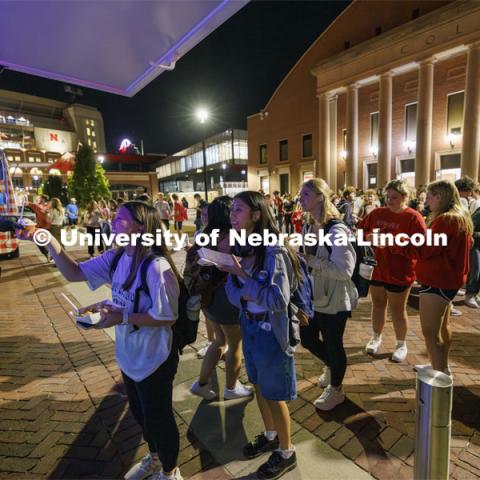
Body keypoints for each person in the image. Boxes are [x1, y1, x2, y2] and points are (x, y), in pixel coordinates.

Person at [16, 201, 184, 480]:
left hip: (155, 357)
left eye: (120, 219)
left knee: (160, 420)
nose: (112, 222)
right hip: (128, 354)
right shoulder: (118, 257)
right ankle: (154, 459)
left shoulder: (157, 266)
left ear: (141, 226)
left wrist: (123, 317)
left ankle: (170, 472)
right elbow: (74, 272)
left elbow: (166, 317)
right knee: (141, 415)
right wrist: (44, 238)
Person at [220, 191, 300, 480]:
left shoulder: (274, 252)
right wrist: (239, 283)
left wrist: (241, 277)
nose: (232, 214)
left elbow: (277, 300)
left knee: (274, 393)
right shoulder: (240, 248)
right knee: (257, 385)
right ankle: (270, 434)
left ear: (256, 215)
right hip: (249, 325)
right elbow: (231, 293)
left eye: (239, 210)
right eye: (232, 209)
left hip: (271, 331)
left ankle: (287, 451)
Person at [391, 181, 472, 374]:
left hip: (438, 280)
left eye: (429, 196)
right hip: (448, 279)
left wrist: (398, 242)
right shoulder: (459, 217)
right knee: (443, 327)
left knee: (430, 332)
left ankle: (439, 375)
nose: (426, 201)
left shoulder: (446, 220)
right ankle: (442, 366)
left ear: (439, 197)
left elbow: (424, 250)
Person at [298, 179, 358, 410]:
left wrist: (310, 261)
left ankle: (336, 389)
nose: (300, 198)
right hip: (313, 295)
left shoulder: (337, 229)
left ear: (320, 197)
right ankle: (332, 367)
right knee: (308, 338)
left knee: (334, 344)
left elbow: (345, 270)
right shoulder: (308, 223)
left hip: (334, 298)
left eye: (305, 194)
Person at [186, 197, 253, 400]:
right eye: (232, 209)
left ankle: (202, 383)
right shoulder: (231, 236)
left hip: (207, 298)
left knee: (219, 341)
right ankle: (231, 388)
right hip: (226, 298)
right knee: (235, 344)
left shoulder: (204, 234)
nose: (235, 214)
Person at [358, 179, 427, 362]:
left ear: (404, 197)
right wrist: (367, 237)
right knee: (378, 305)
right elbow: (359, 232)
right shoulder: (377, 213)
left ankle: (401, 343)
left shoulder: (413, 217)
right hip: (378, 269)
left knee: (398, 310)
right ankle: (375, 337)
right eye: (387, 196)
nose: (389, 200)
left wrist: (394, 243)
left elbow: (420, 247)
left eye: (394, 197)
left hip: (400, 271)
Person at [28, 194, 51, 261]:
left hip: (42, 227)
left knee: (39, 242)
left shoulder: (39, 206)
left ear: (43, 199)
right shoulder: (49, 206)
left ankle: (48, 254)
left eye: (40, 198)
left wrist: (27, 202)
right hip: (47, 227)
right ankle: (49, 255)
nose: (39, 199)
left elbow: (31, 204)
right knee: (45, 242)